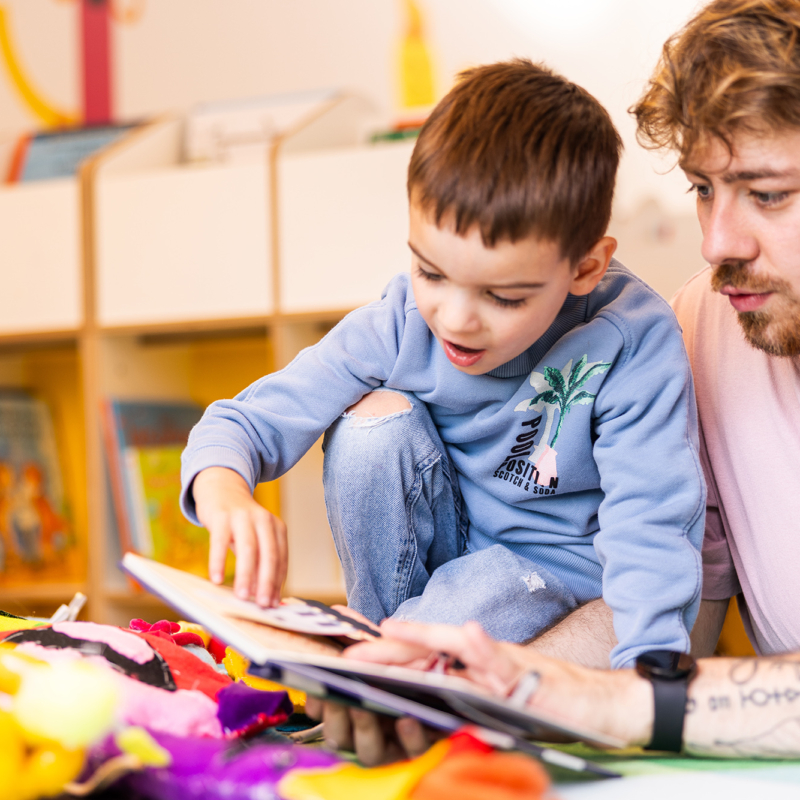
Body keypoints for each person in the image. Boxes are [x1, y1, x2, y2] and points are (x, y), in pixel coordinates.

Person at [311, 0, 800, 762]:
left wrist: (615, 701)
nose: (714, 243)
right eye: (703, 189)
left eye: (768, 194)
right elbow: (669, 631)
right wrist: (472, 688)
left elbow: (651, 694)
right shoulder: (708, 324)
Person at [181, 59, 705, 671]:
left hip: (553, 571)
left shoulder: (632, 336)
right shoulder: (403, 319)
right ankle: (385, 652)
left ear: (585, 268)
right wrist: (225, 491)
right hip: (452, 546)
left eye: (502, 297)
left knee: (430, 632)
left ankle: (385, 662)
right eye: (430, 272)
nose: (454, 320)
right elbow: (249, 419)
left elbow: (653, 522)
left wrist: (648, 677)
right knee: (371, 426)